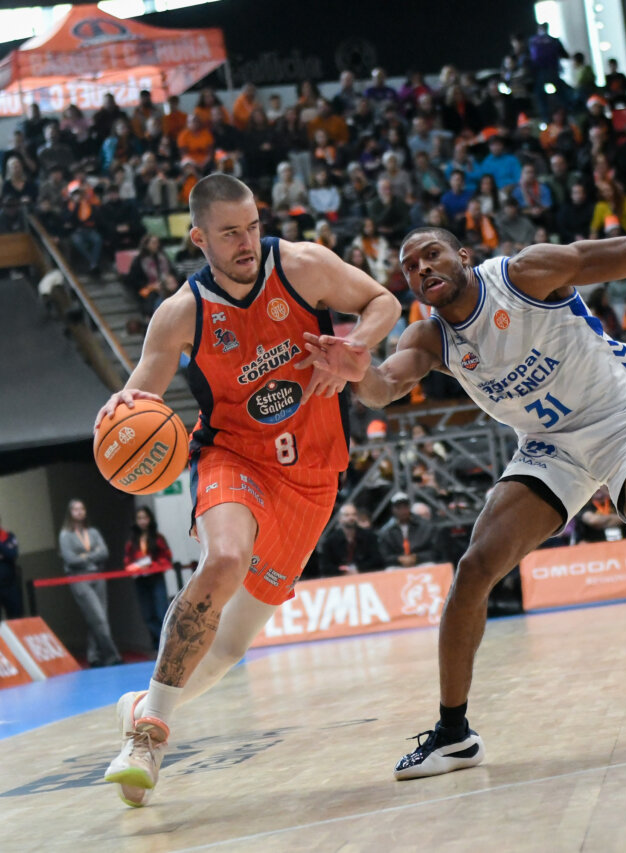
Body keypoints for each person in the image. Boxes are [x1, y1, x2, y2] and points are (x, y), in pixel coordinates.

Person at [301, 225, 626, 780]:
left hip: (622, 418)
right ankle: (454, 733)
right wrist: (357, 373)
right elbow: (386, 386)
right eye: (410, 266)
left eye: (433, 253)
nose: (423, 268)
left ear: (464, 256)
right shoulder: (429, 339)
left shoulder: (526, 273)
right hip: (550, 447)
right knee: (474, 567)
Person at [95, 173, 399, 807]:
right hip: (233, 457)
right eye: (230, 232)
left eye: (253, 225)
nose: (246, 241)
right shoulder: (180, 314)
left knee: (230, 646)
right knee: (224, 559)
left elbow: (383, 303)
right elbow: (140, 392)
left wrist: (354, 346)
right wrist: (118, 413)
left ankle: (139, 705)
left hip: (314, 474)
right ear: (199, 236)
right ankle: (148, 738)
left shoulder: (304, 267)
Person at [59, 499, 122, 668]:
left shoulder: (93, 532)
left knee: (98, 618)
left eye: (82, 508)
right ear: (70, 513)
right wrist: (93, 555)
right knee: (98, 617)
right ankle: (112, 656)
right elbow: (69, 559)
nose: (79, 512)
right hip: (79, 579)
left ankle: (93, 656)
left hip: (98, 576)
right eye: (75, 509)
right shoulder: (65, 535)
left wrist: (84, 558)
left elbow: (105, 552)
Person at [122, 506, 173, 650]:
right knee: (147, 615)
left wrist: (153, 565)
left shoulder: (158, 538)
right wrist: (136, 568)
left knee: (162, 612)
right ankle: (161, 643)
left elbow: (167, 557)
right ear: (135, 521)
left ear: (150, 519)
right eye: (139, 518)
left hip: (156, 578)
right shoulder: (132, 542)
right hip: (140, 580)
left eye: (145, 518)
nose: (143, 521)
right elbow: (127, 562)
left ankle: (169, 643)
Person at [378, 491, 442, 566]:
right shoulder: (387, 531)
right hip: (398, 565)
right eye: (399, 507)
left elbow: (435, 551)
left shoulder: (425, 527)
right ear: (393, 510)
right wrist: (398, 559)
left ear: (409, 507)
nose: (402, 510)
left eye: (405, 506)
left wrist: (417, 557)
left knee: (431, 565)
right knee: (389, 571)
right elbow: (384, 556)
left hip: (422, 562)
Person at [319, 502, 384, 575]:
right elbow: (325, 567)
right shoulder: (330, 541)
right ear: (340, 519)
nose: (351, 518)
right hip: (339, 579)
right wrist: (342, 571)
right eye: (347, 515)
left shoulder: (369, 537)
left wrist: (359, 569)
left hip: (365, 575)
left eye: (354, 514)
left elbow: (377, 560)